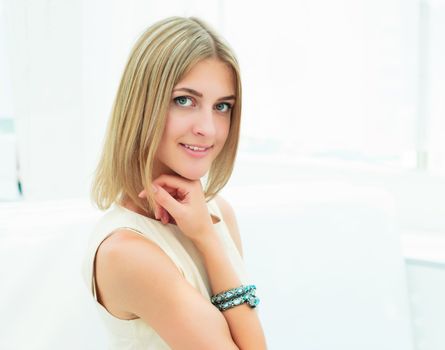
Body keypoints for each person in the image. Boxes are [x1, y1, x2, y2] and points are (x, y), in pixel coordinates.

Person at [82, 16, 267, 349]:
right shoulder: (127, 253)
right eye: (185, 100)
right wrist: (206, 240)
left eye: (222, 106)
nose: (208, 129)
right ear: (143, 105)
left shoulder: (216, 213)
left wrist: (206, 235)